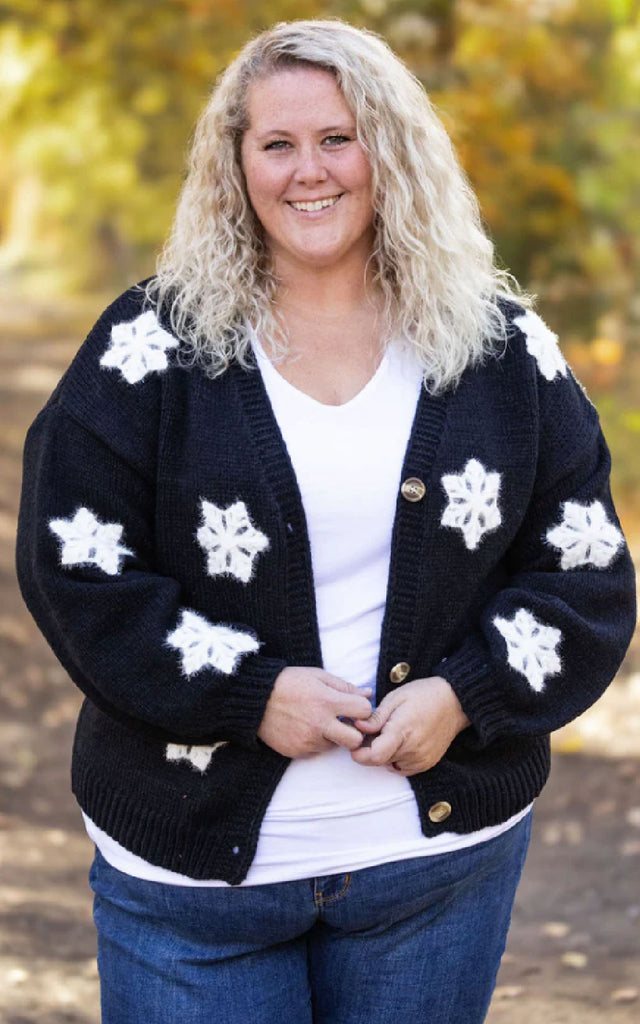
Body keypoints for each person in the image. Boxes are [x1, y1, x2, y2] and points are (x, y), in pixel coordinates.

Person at [16, 18, 636, 1024]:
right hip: (192, 885)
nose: (309, 171)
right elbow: (73, 567)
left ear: (388, 151)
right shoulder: (148, 348)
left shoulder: (497, 349)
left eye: (338, 138)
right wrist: (246, 692)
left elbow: (585, 573)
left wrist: (464, 694)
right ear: (236, 166)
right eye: (277, 144)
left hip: (430, 873)